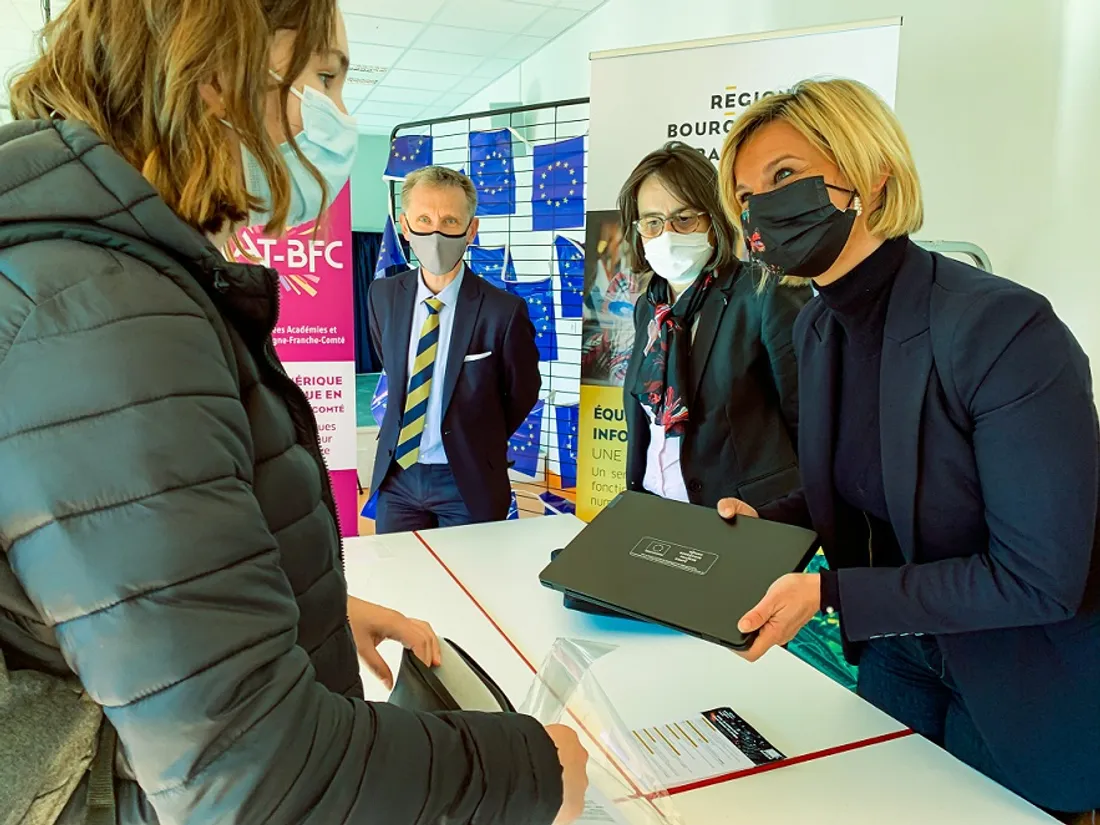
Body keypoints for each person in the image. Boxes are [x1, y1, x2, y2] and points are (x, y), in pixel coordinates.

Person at [0, 2, 586, 824]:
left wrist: (296, 606)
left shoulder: (96, 280)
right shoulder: (101, 311)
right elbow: (251, 780)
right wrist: (527, 770)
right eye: (322, 78)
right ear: (212, 72)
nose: (338, 119)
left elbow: (123, 596)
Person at [715, 78, 1099, 822]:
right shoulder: (817, 329)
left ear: (871, 170)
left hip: (1021, 675)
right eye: (746, 193)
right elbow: (871, 487)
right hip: (900, 650)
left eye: (784, 175)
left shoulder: (1006, 330)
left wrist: (827, 593)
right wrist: (771, 520)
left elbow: (1040, 579)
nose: (760, 207)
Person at [618, 142, 810, 509]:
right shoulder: (650, 308)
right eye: (653, 222)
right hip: (655, 508)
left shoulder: (763, 293)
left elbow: (809, 423)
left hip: (742, 518)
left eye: (685, 217)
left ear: (715, 218)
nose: (668, 234)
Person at [367, 166, 541, 534]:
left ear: (471, 229)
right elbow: (393, 368)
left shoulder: (503, 311)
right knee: (399, 583)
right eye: (424, 219)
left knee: (471, 584)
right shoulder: (383, 296)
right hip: (398, 476)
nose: (435, 232)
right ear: (404, 224)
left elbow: (522, 393)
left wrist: (477, 436)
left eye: (449, 221)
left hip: (468, 478)